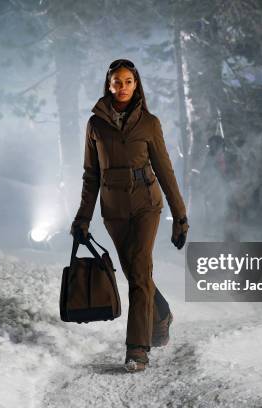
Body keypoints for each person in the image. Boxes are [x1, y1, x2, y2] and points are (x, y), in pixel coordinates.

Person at [69, 59, 188, 373]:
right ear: (108, 85)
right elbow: (90, 175)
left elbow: (165, 170)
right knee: (136, 272)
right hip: (114, 210)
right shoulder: (95, 125)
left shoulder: (150, 123)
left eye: (128, 82)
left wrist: (180, 216)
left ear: (137, 85)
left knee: (137, 272)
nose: (122, 87)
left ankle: (138, 350)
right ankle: (161, 313)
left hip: (146, 205)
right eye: (116, 82)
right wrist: (82, 218)